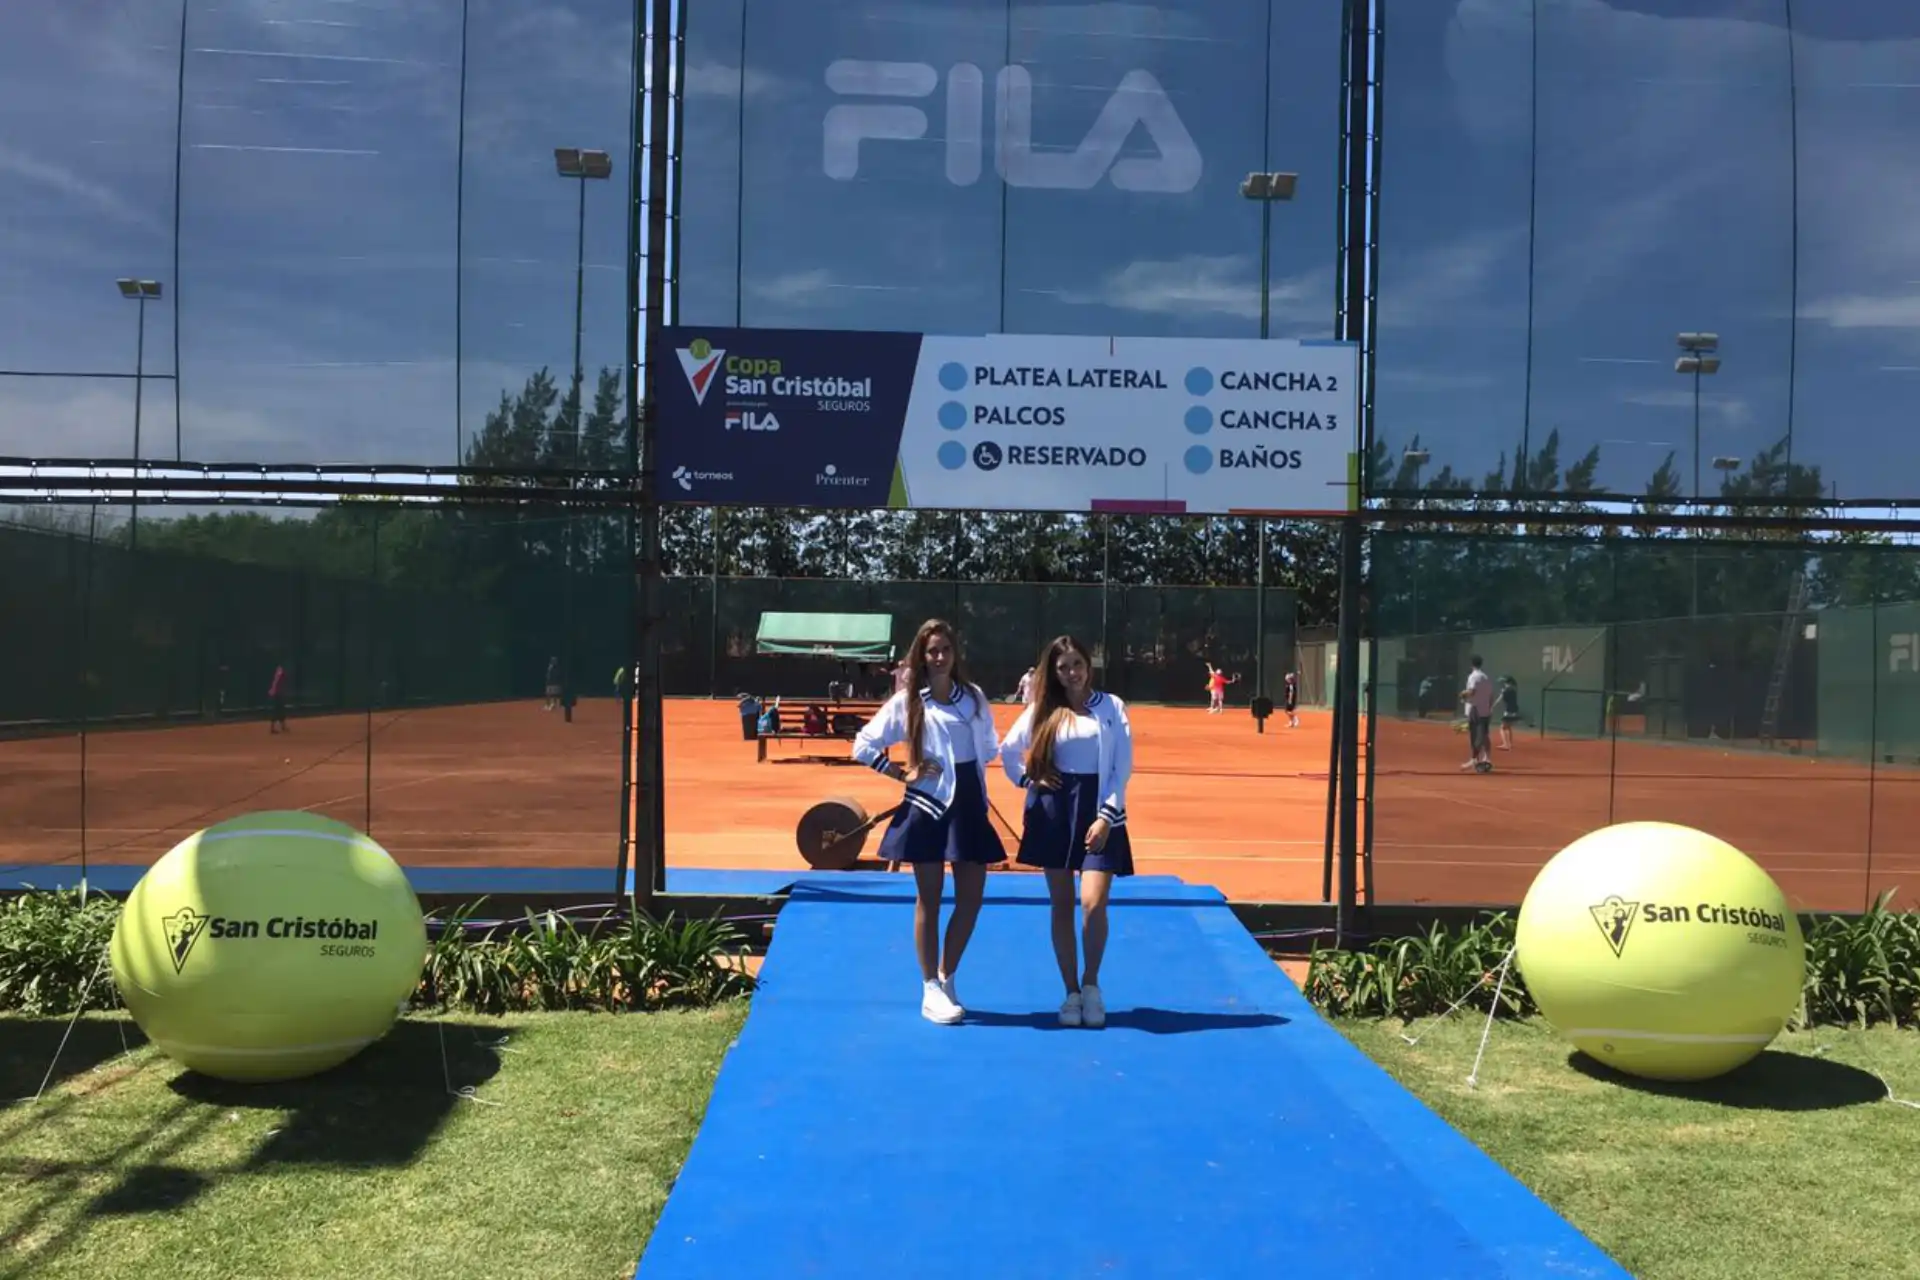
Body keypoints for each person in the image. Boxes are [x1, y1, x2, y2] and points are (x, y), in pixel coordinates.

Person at [851, 619, 1005, 1025]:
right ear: (921, 655)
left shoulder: (973, 697)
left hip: (969, 805)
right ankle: (929, 987)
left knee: (971, 900)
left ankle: (947, 978)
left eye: (945, 650)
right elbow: (863, 745)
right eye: (932, 651)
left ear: (955, 654)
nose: (939, 657)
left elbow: (990, 746)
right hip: (927, 806)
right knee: (930, 900)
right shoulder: (907, 702)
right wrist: (902, 773)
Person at [997, 634, 1135, 1029]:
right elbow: (1008, 751)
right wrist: (1029, 781)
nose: (1072, 672)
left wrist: (1106, 816)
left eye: (1077, 664)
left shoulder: (1112, 707)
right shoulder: (1043, 709)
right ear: (1053, 672)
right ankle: (1071, 993)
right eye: (1063, 667)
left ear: (1088, 665)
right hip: (1055, 812)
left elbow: (1121, 768)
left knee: (1093, 903)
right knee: (1061, 905)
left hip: (1101, 811)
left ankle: (1091, 985)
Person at [1459, 654, 1495, 772]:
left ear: (1471, 664)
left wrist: (1462, 694)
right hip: (1485, 710)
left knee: (1476, 736)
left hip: (1475, 710)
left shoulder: (1473, 676)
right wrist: (1489, 708)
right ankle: (1487, 758)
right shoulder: (1486, 677)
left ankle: (1474, 759)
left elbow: (1472, 691)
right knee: (1484, 735)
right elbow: (1491, 695)